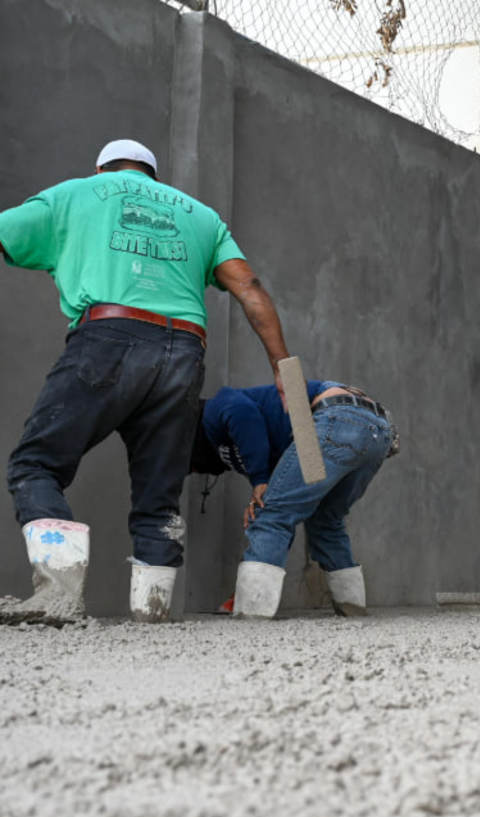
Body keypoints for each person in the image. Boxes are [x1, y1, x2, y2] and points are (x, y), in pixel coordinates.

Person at [0, 139, 290, 624]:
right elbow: (250, 288)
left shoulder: (77, 193)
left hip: (108, 337)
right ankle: (152, 614)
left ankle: (59, 591)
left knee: (36, 464)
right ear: (153, 176)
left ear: (102, 168)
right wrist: (282, 367)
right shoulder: (201, 216)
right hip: (184, 352)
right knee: (159, 494)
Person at [190, 379, 396, 619]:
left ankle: (251, 611)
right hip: (376, 430)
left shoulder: (215, 407)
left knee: (271, 515)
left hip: (332, 416)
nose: (196, 471)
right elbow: (284, 511)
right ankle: (352, 607)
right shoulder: (266, 439)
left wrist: (259, 480)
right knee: (325, 520)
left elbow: (241, 412)